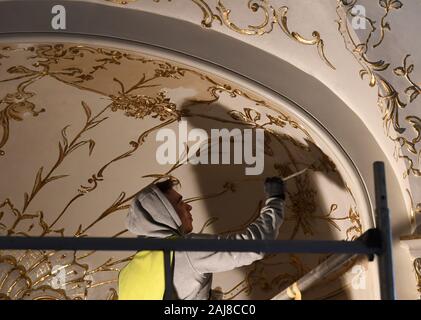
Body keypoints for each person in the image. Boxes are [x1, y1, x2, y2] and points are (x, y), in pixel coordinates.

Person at [125, 177, 285, 300]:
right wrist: (275, 200)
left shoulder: (127, 275)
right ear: (165, 214)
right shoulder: (184, 250)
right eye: (180, 203)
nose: (188, 207)